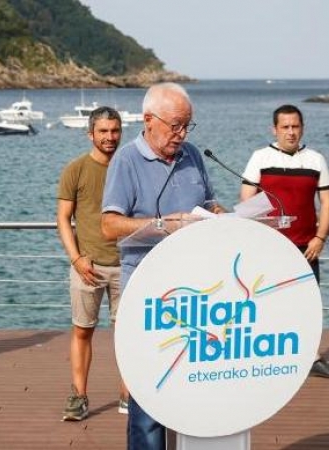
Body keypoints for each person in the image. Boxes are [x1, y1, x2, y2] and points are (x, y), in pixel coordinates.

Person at [101, 82, 222, 450]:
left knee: (194, 392)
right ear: (148, 120)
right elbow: (109, 226)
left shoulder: (193, 156)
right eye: (175, 125)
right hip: (149, 297)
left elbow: (211, 204)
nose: (181, 134)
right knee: (149, 401)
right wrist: (162, 224)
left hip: (198, 295)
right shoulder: (126, 160)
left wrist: (229, 218)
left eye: (188, 125)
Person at [240, 104, 329, 379]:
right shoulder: (259, 158)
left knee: (308, 306)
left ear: (302, 128)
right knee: (267, 304)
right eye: (284, 127)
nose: (290, 132)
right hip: (270, 248)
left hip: (306, 248)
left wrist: (320, 237)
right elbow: (246, 201)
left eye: (295, 126)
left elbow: (327, 202)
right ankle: (270, 360)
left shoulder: (315, 160)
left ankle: (312, 357)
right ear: (274, 129)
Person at [57, 106, 128, 421]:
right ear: (91, 134)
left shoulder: (130, 167)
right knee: (82, 331)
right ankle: (79, 396)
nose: (110, 137)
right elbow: (62, 218)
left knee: (128, 335)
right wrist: (76, 258)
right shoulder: (76, 169)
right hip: (88, 266)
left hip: (128, 265)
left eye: (114, 131)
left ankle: (129, 396)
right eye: (103, 131)